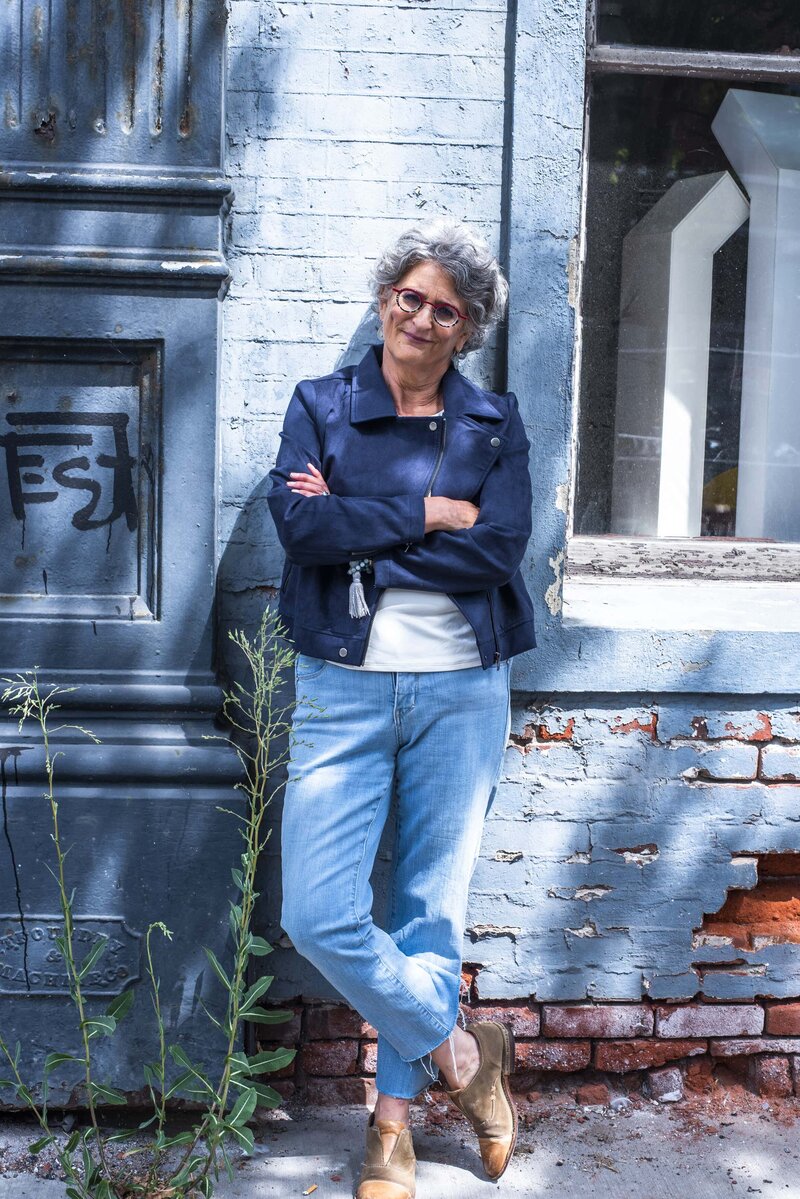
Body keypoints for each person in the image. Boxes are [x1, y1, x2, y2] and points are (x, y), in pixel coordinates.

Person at [267, 218, 535, 1199]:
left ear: (464, 331)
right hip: (342, 685)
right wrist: (425, 511)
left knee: (428, 903)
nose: (421, 317)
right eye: (409, 296)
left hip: (461, 686)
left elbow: (495, 550)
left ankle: (390, 1129)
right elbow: (301, 528)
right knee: (318, 912)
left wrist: (359, 528)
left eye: (445, 309)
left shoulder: (491, 424)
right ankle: (466, 1056)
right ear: (386, 298)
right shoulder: (320, 406)